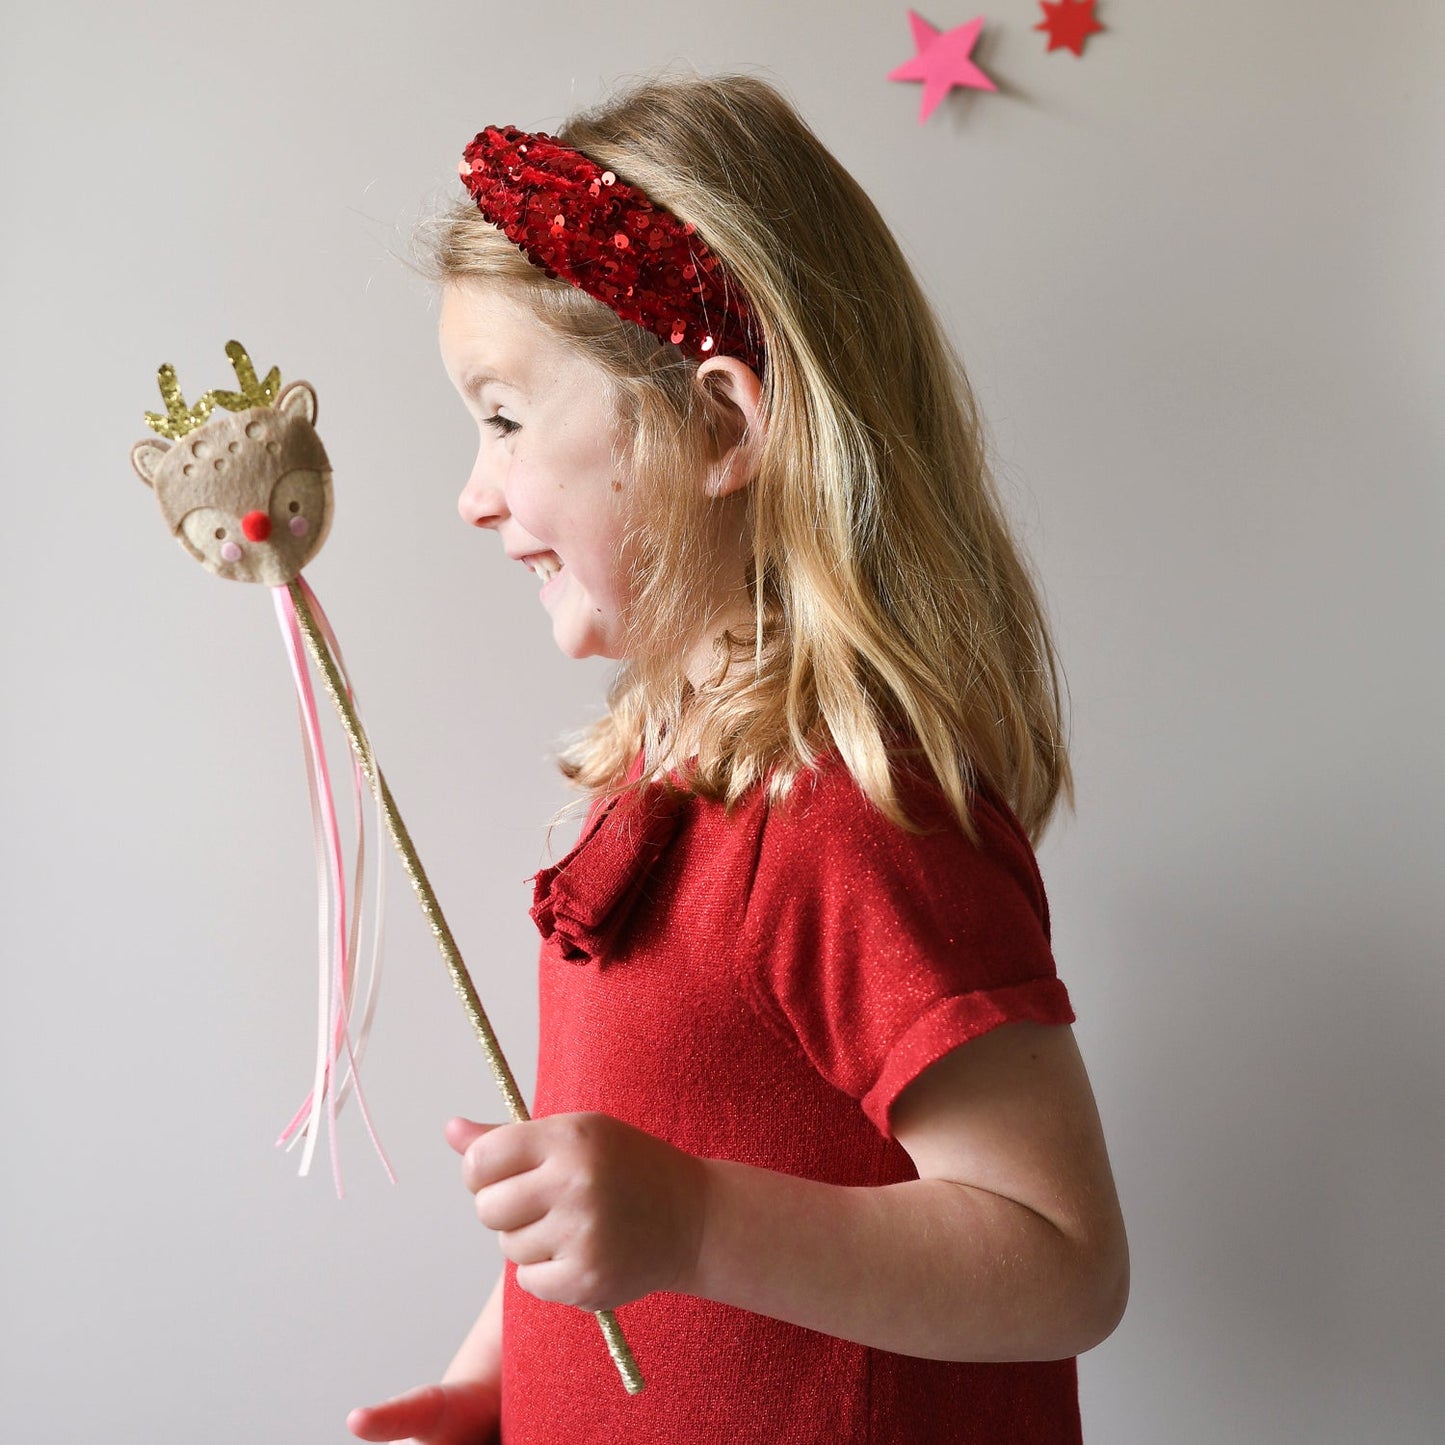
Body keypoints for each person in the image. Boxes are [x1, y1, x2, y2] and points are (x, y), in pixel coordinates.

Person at [348, 72, 1127, 1445]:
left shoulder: (848, 816)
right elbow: (616, 1171)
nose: (474, 493)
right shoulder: (668, 781)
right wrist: (496, 1376)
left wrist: (692, 1219)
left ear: (717, 425)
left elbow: (1060, 1256)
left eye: (506, 419)